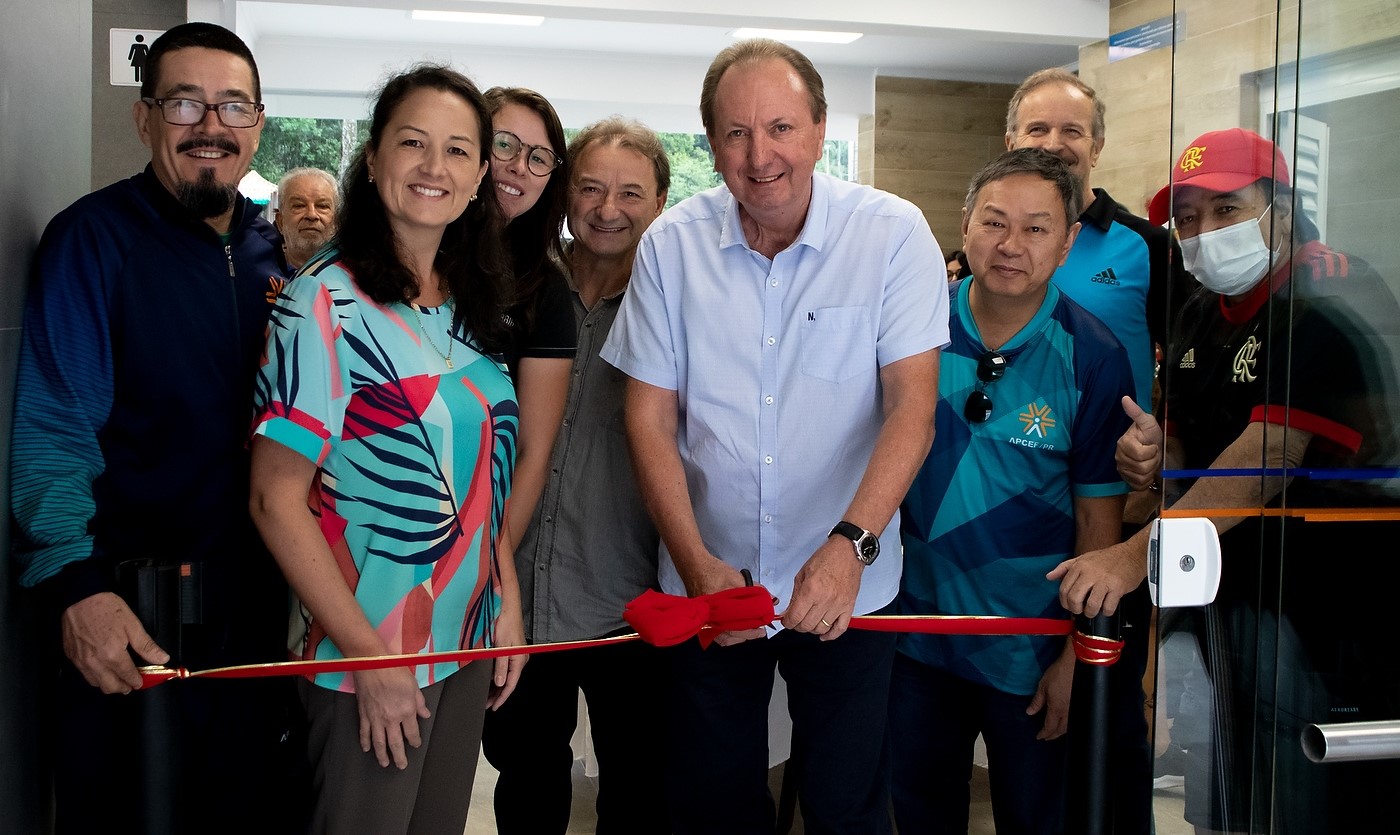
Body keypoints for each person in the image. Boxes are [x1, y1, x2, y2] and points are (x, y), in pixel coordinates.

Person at [600, 38, 947, 834]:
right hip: (710, 577)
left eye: (782, 128)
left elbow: (911, 409)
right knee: (712, 801)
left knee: (848, 802)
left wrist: (850, 543)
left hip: (852, 581)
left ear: (820, 130)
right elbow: (647, 416)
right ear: (710, 143)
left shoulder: (892, 235)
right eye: (736, 133)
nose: (761, 157)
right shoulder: (671, 246)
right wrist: (695, 564)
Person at [1057, 127, 1400, 834]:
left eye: (1226, 210)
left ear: (1279, 207)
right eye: (1186, 218)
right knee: (1235, 781)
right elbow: (1185, 449)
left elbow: (1262, 461)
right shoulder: (1198, 310)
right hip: (1229, 589)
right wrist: (1152, 458)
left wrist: (1128, 557)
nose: (1203, 232)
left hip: (1324, 607)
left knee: (1298, 785)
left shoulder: (1327, 287)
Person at [8, 22, 304, 835]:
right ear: (145, 119)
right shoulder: (94, 240)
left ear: (258, 123)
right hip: (131, 614)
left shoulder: (275, 255)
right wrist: (77, 583)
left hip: (255, 617)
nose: (210, 125)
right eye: (184, 102)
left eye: (232, 105)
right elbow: (55, 426)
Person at [248, 63, 526, 835]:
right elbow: (275, 497)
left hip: (465, 637)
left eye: (458, 150)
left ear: (477, 177)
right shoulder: (323, 301)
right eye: (413, 143)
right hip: (367, 651)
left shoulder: (471, 299)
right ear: (373, 162)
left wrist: (505, 602)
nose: (434, 168)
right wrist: (370, 658)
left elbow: (479, 475)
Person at [890, 148, 1133, 835]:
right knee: (915, 813)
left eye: (1035, 228)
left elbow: (1099, 522)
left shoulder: (1093, 353)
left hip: (1028, 646)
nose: (1010, 245)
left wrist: (1073, 657)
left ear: (1067, 243)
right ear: (965, 226)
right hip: (914, 637)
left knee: (1036, 818)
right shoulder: (912, 328)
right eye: (994, 222)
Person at [1005, 67, 1187, 832]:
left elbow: (1189, 364)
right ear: (1011, 140)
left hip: (1112, 518)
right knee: (1023, 729)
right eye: (1036, 130)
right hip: (1008, 532)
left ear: (1098, 146)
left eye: (1071, 131)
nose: (1054, 145)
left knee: (1109, 727)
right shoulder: (984, 245)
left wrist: (1163, 450)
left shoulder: (1149, 249)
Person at [481, 116, 672, 834]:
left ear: (660, 199)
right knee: (525, 778)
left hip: (632, 596)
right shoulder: (515, 280)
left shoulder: (676, 304)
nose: (607, 208)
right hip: (518, 588)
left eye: (629, 192)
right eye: (589, 187)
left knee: (637, 786)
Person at [483, 87, 578, 550]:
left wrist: (492, 572)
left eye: (539, 158)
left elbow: (532, 454)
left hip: (480, 536)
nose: (520, 166)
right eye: (505, 145)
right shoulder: (415, 259)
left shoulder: (544, 287)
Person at [274, 166, 337, 270]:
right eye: (299, 206)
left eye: (322, 206)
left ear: (336, 221)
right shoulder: (260, 274)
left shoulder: (357, 277)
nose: (312, 215)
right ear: (280, 222)